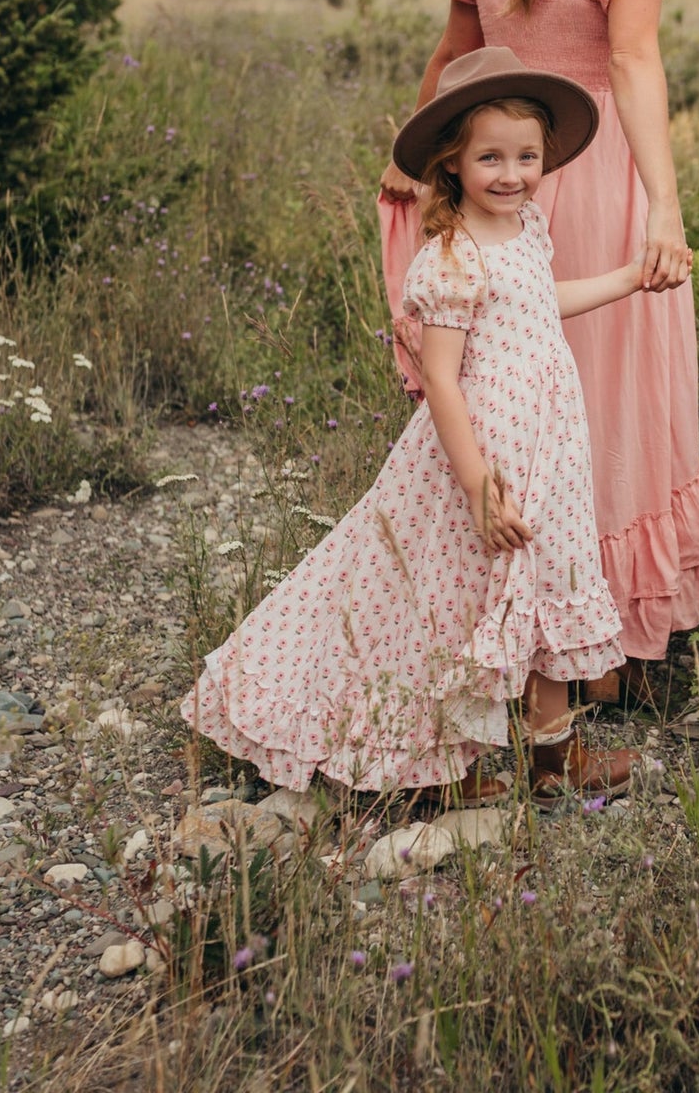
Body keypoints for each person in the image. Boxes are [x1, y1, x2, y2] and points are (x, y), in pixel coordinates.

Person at [182, 47, 668, 804]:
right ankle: (441, 769)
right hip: (480, 460)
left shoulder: (527, 228)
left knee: (544, 588)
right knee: (454, 602)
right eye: (491, 158)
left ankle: (550, 758)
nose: (512, 174)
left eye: (527, 157)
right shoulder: (450, 257)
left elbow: (542, 304)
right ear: (451, 164)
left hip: (550, 450)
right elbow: (441, 378)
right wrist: (478, 484)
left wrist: (631, 277)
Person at [379, 0, 699, 699]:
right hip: (596, 170)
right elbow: (634, 61)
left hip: (493, 182)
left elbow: (454, 57)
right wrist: (663, 205)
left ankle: (508, 628)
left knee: (504, 405)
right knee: (607, 405)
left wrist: (418, 153)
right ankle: (594, 647)